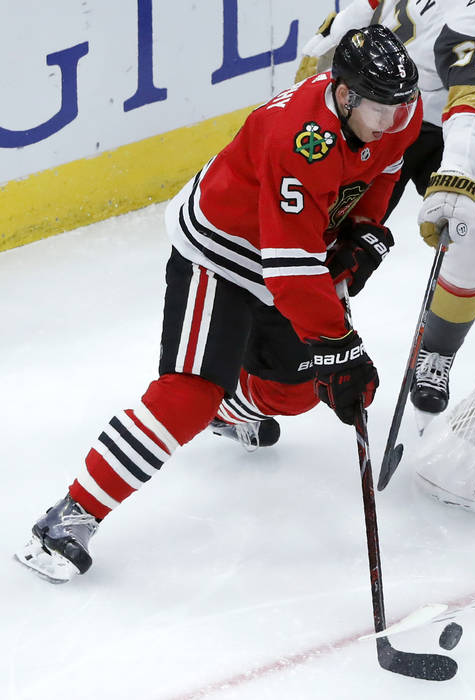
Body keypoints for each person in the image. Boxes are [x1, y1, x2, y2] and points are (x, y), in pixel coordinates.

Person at [15, 26, 423, 583]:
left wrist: (362, 230)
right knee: (188, 394)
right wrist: (342, 347)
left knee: (297, 389)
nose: (392, 121)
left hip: (289, 251)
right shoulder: (301, 139)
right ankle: (72, 515)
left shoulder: (398, 110)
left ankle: (230, 410)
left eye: (399, 109)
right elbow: (290, 271)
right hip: (222, 251)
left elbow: (384, 168)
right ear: (346, 94)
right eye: (380, 109)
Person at [296, 0, 475, 417]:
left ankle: (437, 352)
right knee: (315, 237)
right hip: (382, 109)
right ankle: (272, 361)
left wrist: (456, 172)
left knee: (474, 233)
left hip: (458, 122)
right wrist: (319, 75)